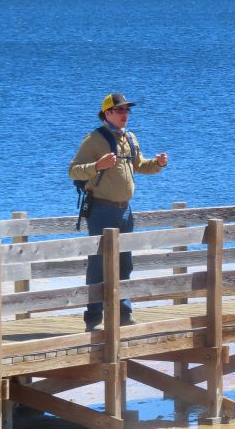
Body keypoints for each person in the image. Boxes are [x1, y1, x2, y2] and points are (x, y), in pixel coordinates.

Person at [69, 93, 168, 331]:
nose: (125, 114)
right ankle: (93, 319)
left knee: (125, 264)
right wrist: (97, 166)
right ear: (108, 113)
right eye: (120, 110)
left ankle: (124, 315)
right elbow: (73, 171)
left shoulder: (130, 138)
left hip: (126, 211)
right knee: (98, 266)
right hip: (101, 210)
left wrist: (158, 164)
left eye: (127, 110)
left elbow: (140, 165)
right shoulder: (94, 139)